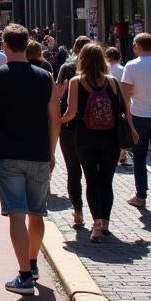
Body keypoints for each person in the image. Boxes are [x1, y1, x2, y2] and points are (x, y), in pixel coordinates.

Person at [0, 24, 59, 295]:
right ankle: (34, 263)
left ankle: (24, 275)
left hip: (9, 151)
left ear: (4, 45)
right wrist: (51, 152)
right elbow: (55, 120)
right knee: (37, 213)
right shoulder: (45, 76)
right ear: (27, 45)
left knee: (16, 213)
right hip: (38, 152)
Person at [60, 42, 133, 242]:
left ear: (81, 60)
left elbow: (70, 113)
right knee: (106, 182)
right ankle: (106, 222)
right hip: (110, 139)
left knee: (91, 181)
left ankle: (97, 225)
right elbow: (124, 109)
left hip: (85, 139)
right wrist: (132, 130)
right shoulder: (112, 81)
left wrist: (56, 121)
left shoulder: (76, 81)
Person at [56, 36, 91, 226]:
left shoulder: (67, 69)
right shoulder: (103, 73)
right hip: (96, 128)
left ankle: (78, 212)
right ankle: (100, 219)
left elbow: (58, 94)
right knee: (94, 174)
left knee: (73, 171)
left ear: (75, 49)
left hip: (70, 125)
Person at [121, 32, 151, 208]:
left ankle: (141, 196)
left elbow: (125, 95)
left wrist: (127, 119)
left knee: (139, 156)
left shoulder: (131, 66)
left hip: (139, 116)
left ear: (136, 46)